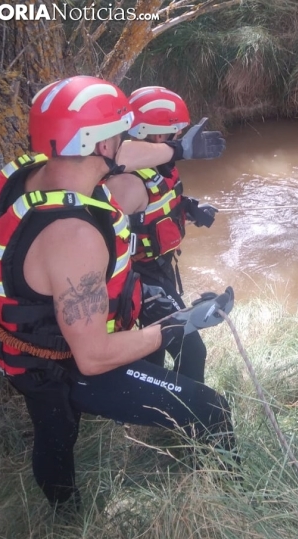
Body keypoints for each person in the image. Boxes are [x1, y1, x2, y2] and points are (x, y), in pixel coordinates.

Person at [0, 75, 237, 513]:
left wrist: (176, 149)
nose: (128, 142)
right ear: (99, 145)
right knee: (210, 408)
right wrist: (181, 322)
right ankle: (233, 498)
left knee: (55, 434)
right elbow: (94, 357)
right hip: (64, 365)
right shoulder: (73, 236)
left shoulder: (25, 171)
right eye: (121, 132)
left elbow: (129, 153)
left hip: (20, 351)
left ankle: (65, 517)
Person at [104, 86, 222, 383]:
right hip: (142, 279)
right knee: (192, 350)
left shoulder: (157, 169)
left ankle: (150, 406)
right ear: (158, 136)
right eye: (175, 135)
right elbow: (121, 156)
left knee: (152, 350)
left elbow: (155, 208)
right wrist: (181, 149)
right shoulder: (126, 181)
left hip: (159, 270)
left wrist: (188, 207)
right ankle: (185, 417)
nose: (178, 141)